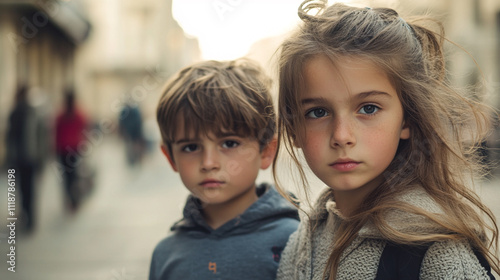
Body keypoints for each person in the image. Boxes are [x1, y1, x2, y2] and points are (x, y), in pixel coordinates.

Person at [273, 1, 500, 279]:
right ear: (294, 128)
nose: (342, 136)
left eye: (368, 108)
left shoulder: (434, 249)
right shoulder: (301, 242)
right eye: (318, 112)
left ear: (407, 119)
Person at [149, 59, 300, 280]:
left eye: (229, 143)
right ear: (171, 158)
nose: (209, 163)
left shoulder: (294, 240)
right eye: (191, 147)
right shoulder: (166, 254)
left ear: (266, 150)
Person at [5, 85, 49, 232]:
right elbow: (41, 136)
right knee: (29, 189)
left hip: (22, 157)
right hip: (30, 157)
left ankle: (27, 215)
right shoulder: (30, 112)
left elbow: (10, 137)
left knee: (23, 188)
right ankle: (29, 217)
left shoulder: (18, 112)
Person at [55, 91, 88, 211]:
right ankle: (75, 200)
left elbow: (56, 133)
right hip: (75, 149)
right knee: (74, 175)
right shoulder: (78, 114)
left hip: (63, 150)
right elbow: (84, 129)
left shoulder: (61, 115)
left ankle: (68, 198)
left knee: (66, 177)